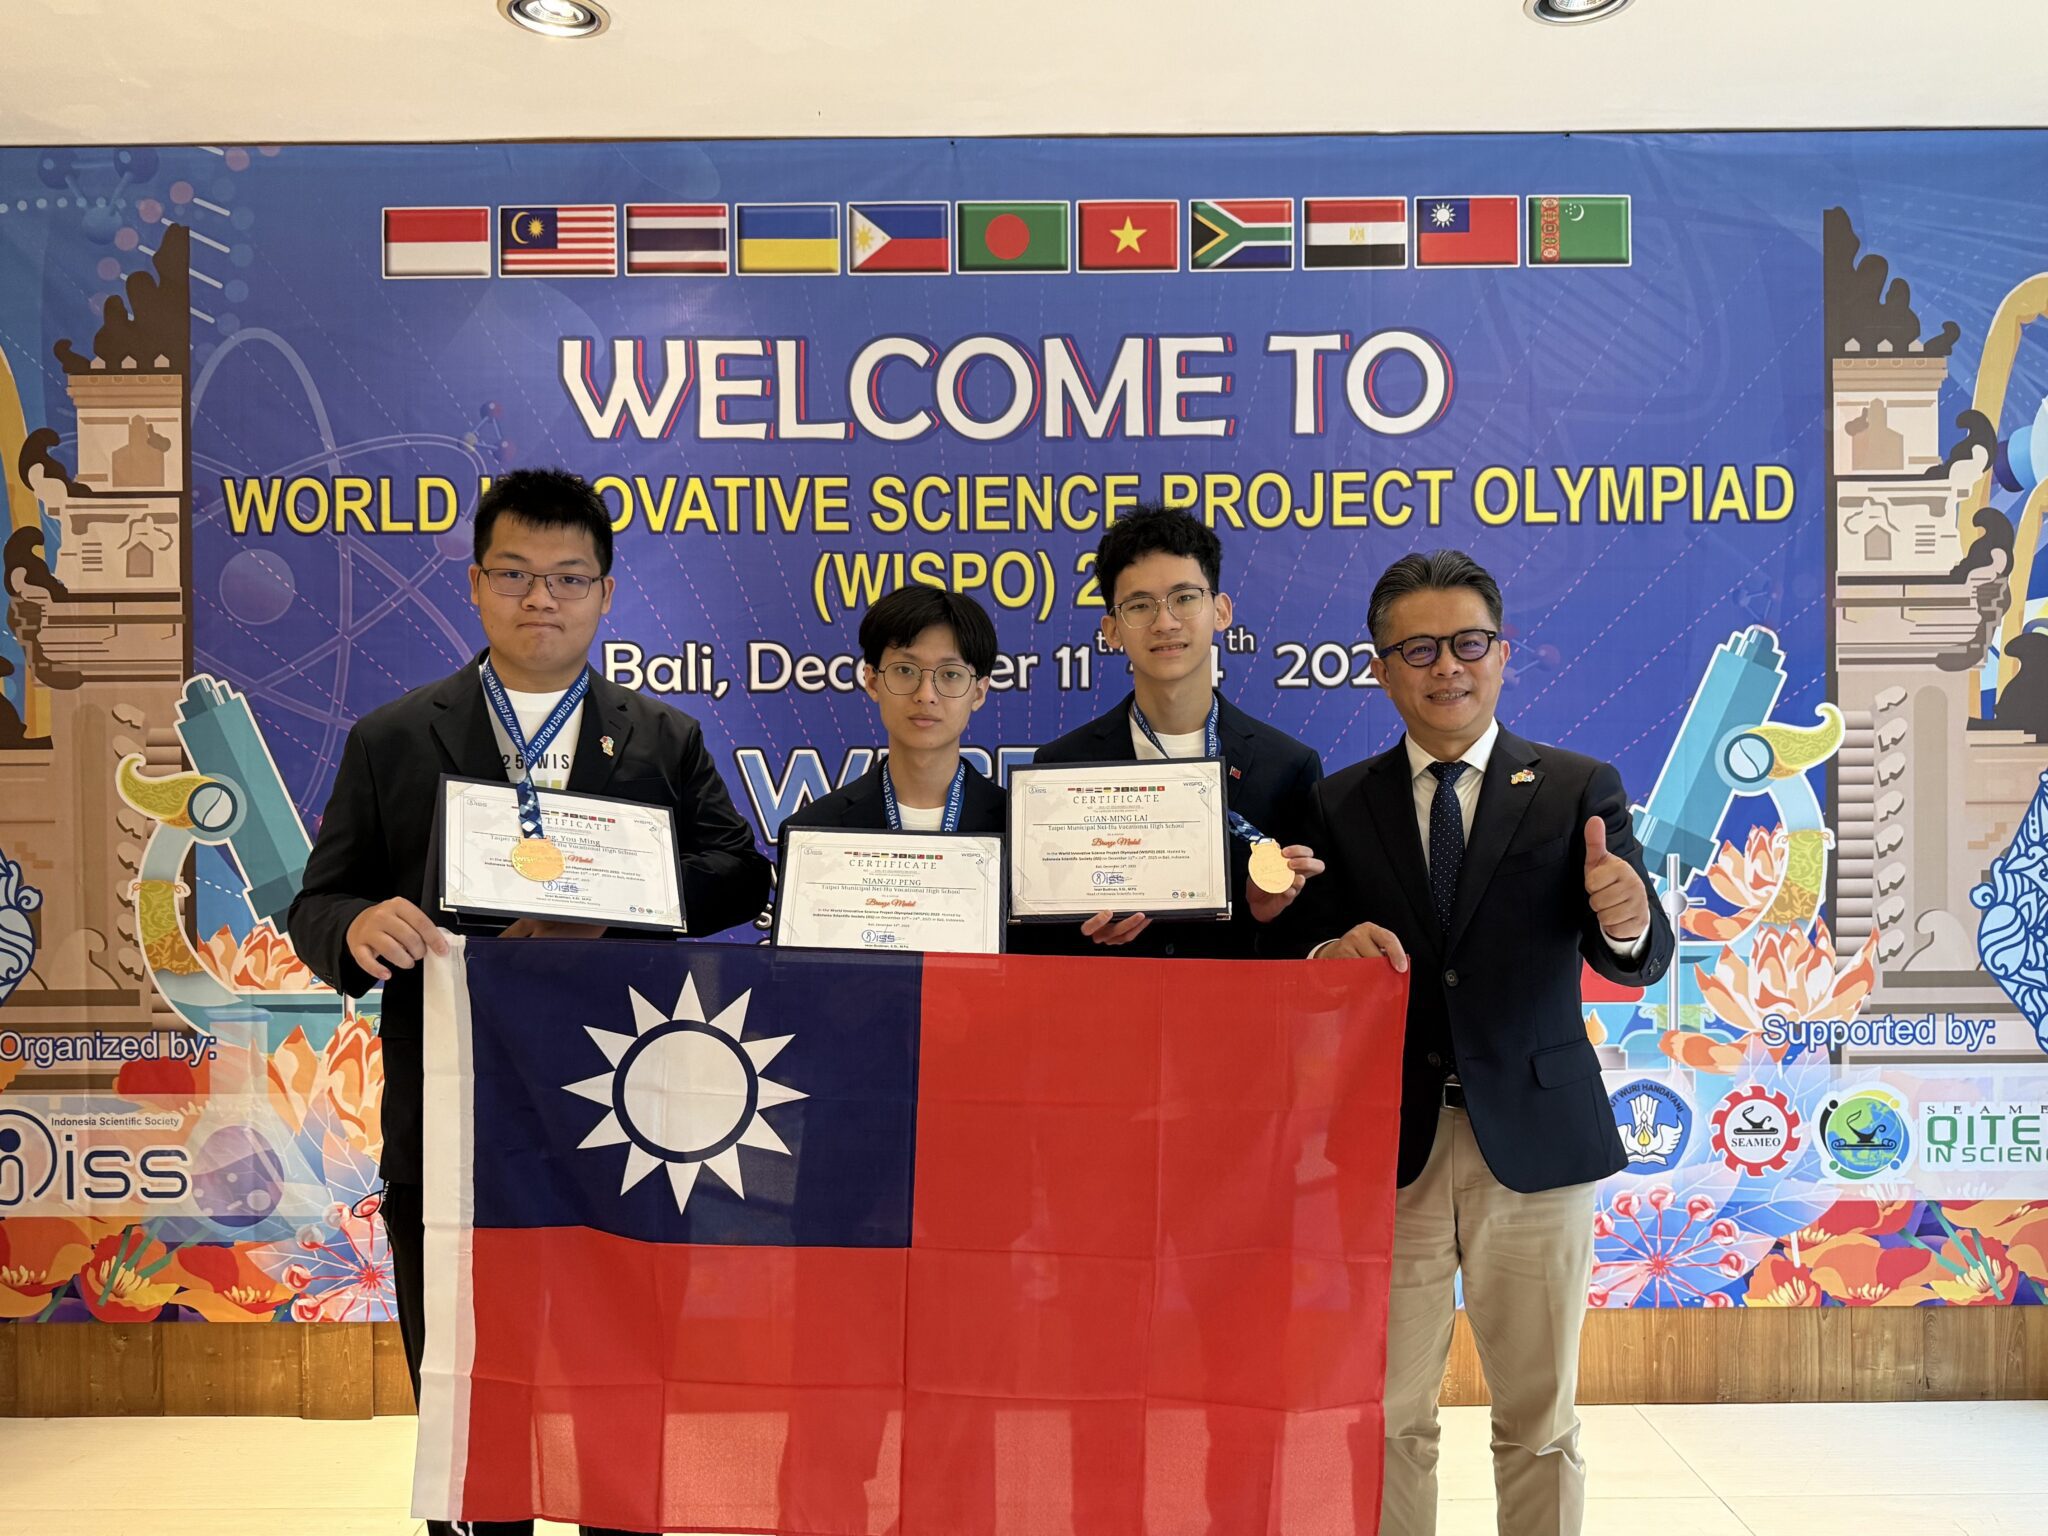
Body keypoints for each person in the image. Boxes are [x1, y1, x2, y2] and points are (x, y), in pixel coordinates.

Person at [287, 467, 772, 1536]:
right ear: (473, 584)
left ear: (605, 594)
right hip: (455, 1118)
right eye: (513, 574)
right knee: (470, 1392)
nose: (540, 599)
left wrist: (620, 907)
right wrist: (355, 928)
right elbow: (319, 903)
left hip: (629, 1122)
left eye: (567, 578)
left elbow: (739, 874)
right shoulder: (393, 738)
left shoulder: (662, 739)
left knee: (621, 1383)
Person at [1273, 549, 1673, 1536]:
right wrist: (1327, 951)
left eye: (1466, 643)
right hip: (1386, 1144)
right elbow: (1300, 954)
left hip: (1535, 1140)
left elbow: (1635, 953)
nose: (1445, 666)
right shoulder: (1337, 802)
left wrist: (1627, 919)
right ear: (1380, 669)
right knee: (1387, 1416)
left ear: (1502, 653)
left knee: (1539, 1420)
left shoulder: (1576, 787)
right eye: (1417, 649)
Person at [1027, 504, 1323, 956]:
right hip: (1115, 999)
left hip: (1236, 1000)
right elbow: (1038, 939)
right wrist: (1086, 934)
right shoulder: (1060, 767)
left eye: (1184, 598)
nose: (1165, 622)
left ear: (1220, 611)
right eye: (1139, 605)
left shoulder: (1288, 767)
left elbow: (1314, 939)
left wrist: (1264, 914)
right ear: (1112, 630)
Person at [777, 583, 1004, 837]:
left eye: (950, 674)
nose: (926, 695)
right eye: (905, 670)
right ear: (873, 682)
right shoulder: (813, 832)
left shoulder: (1018, 828)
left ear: (978, 692)